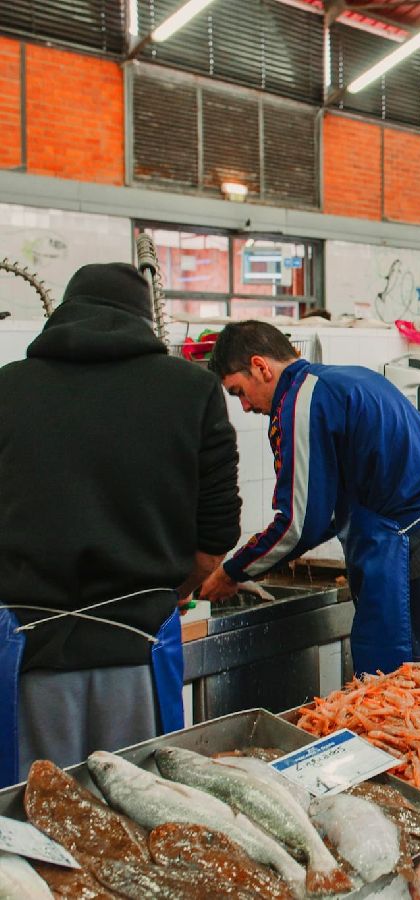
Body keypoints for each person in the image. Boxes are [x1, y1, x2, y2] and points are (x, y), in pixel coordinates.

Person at [0, 264, 240, 782]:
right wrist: (179, 588)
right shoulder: (192, 390)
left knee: (36, 814)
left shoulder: (7, 388)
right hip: (141, 649)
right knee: (141, 810)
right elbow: (216, 536)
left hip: (29, 658)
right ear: (142, 319)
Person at [199, 322, 420, 675]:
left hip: (403, 558)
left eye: (239, 392)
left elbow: (299, 524)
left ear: (260, 367)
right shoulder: (347, 379)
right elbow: (327, 510)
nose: (246, 406)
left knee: (394, 700)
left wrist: (233, 570)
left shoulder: (299, 401)